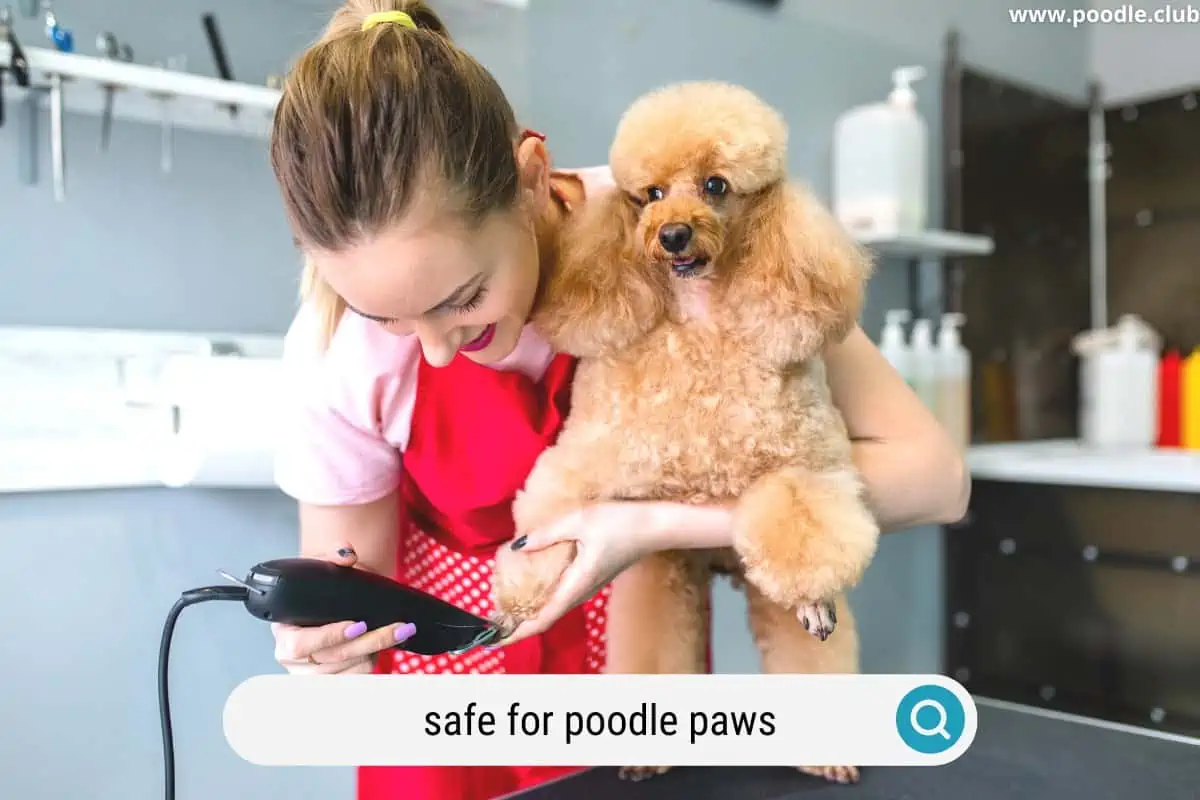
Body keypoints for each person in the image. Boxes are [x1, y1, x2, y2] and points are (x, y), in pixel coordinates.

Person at [265, 1, 971, 798]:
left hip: (642, 700)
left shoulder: (672, 225)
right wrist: (324, 650)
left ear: (532, 177)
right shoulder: (337, 356)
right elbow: (354, 589)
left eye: (464, 296)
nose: (432, 346)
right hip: (450, 714)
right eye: (385, 314)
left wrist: (648, 526)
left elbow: (937, 478)